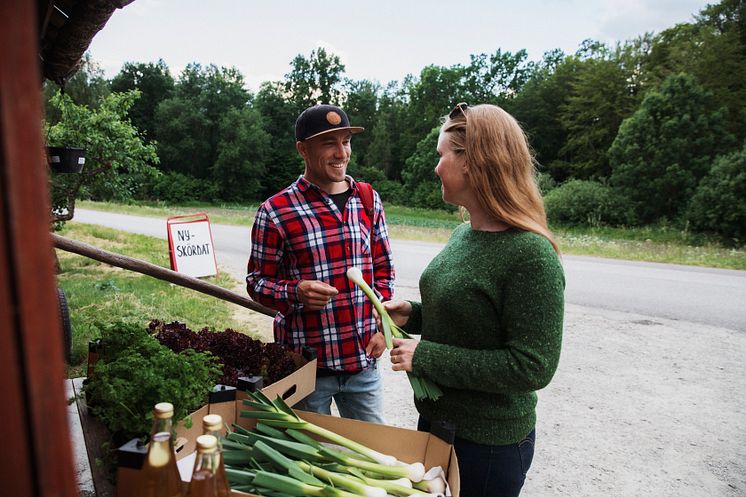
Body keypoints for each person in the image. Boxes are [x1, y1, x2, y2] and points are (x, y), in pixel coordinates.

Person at [384, 103, 565, 497]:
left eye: (441, 155)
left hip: (487, 447)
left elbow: (533, 366)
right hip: (437, 426)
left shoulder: (531, 255)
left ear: (473, 161)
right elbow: (472, 318)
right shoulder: (463, 234)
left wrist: (426, 356)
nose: (436, 168)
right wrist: (413, 315)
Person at [246, 104, 395, 424]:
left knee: (375, 457)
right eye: (329, 143)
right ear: (303, 149)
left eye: (346, 141)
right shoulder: (275, 211)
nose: (341, 152)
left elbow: (383, 271)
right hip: (306, 369)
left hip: (363, 362)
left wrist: (382, 328)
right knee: (314, 461)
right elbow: (256, 282)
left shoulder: (369, 200)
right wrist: (295, 292)